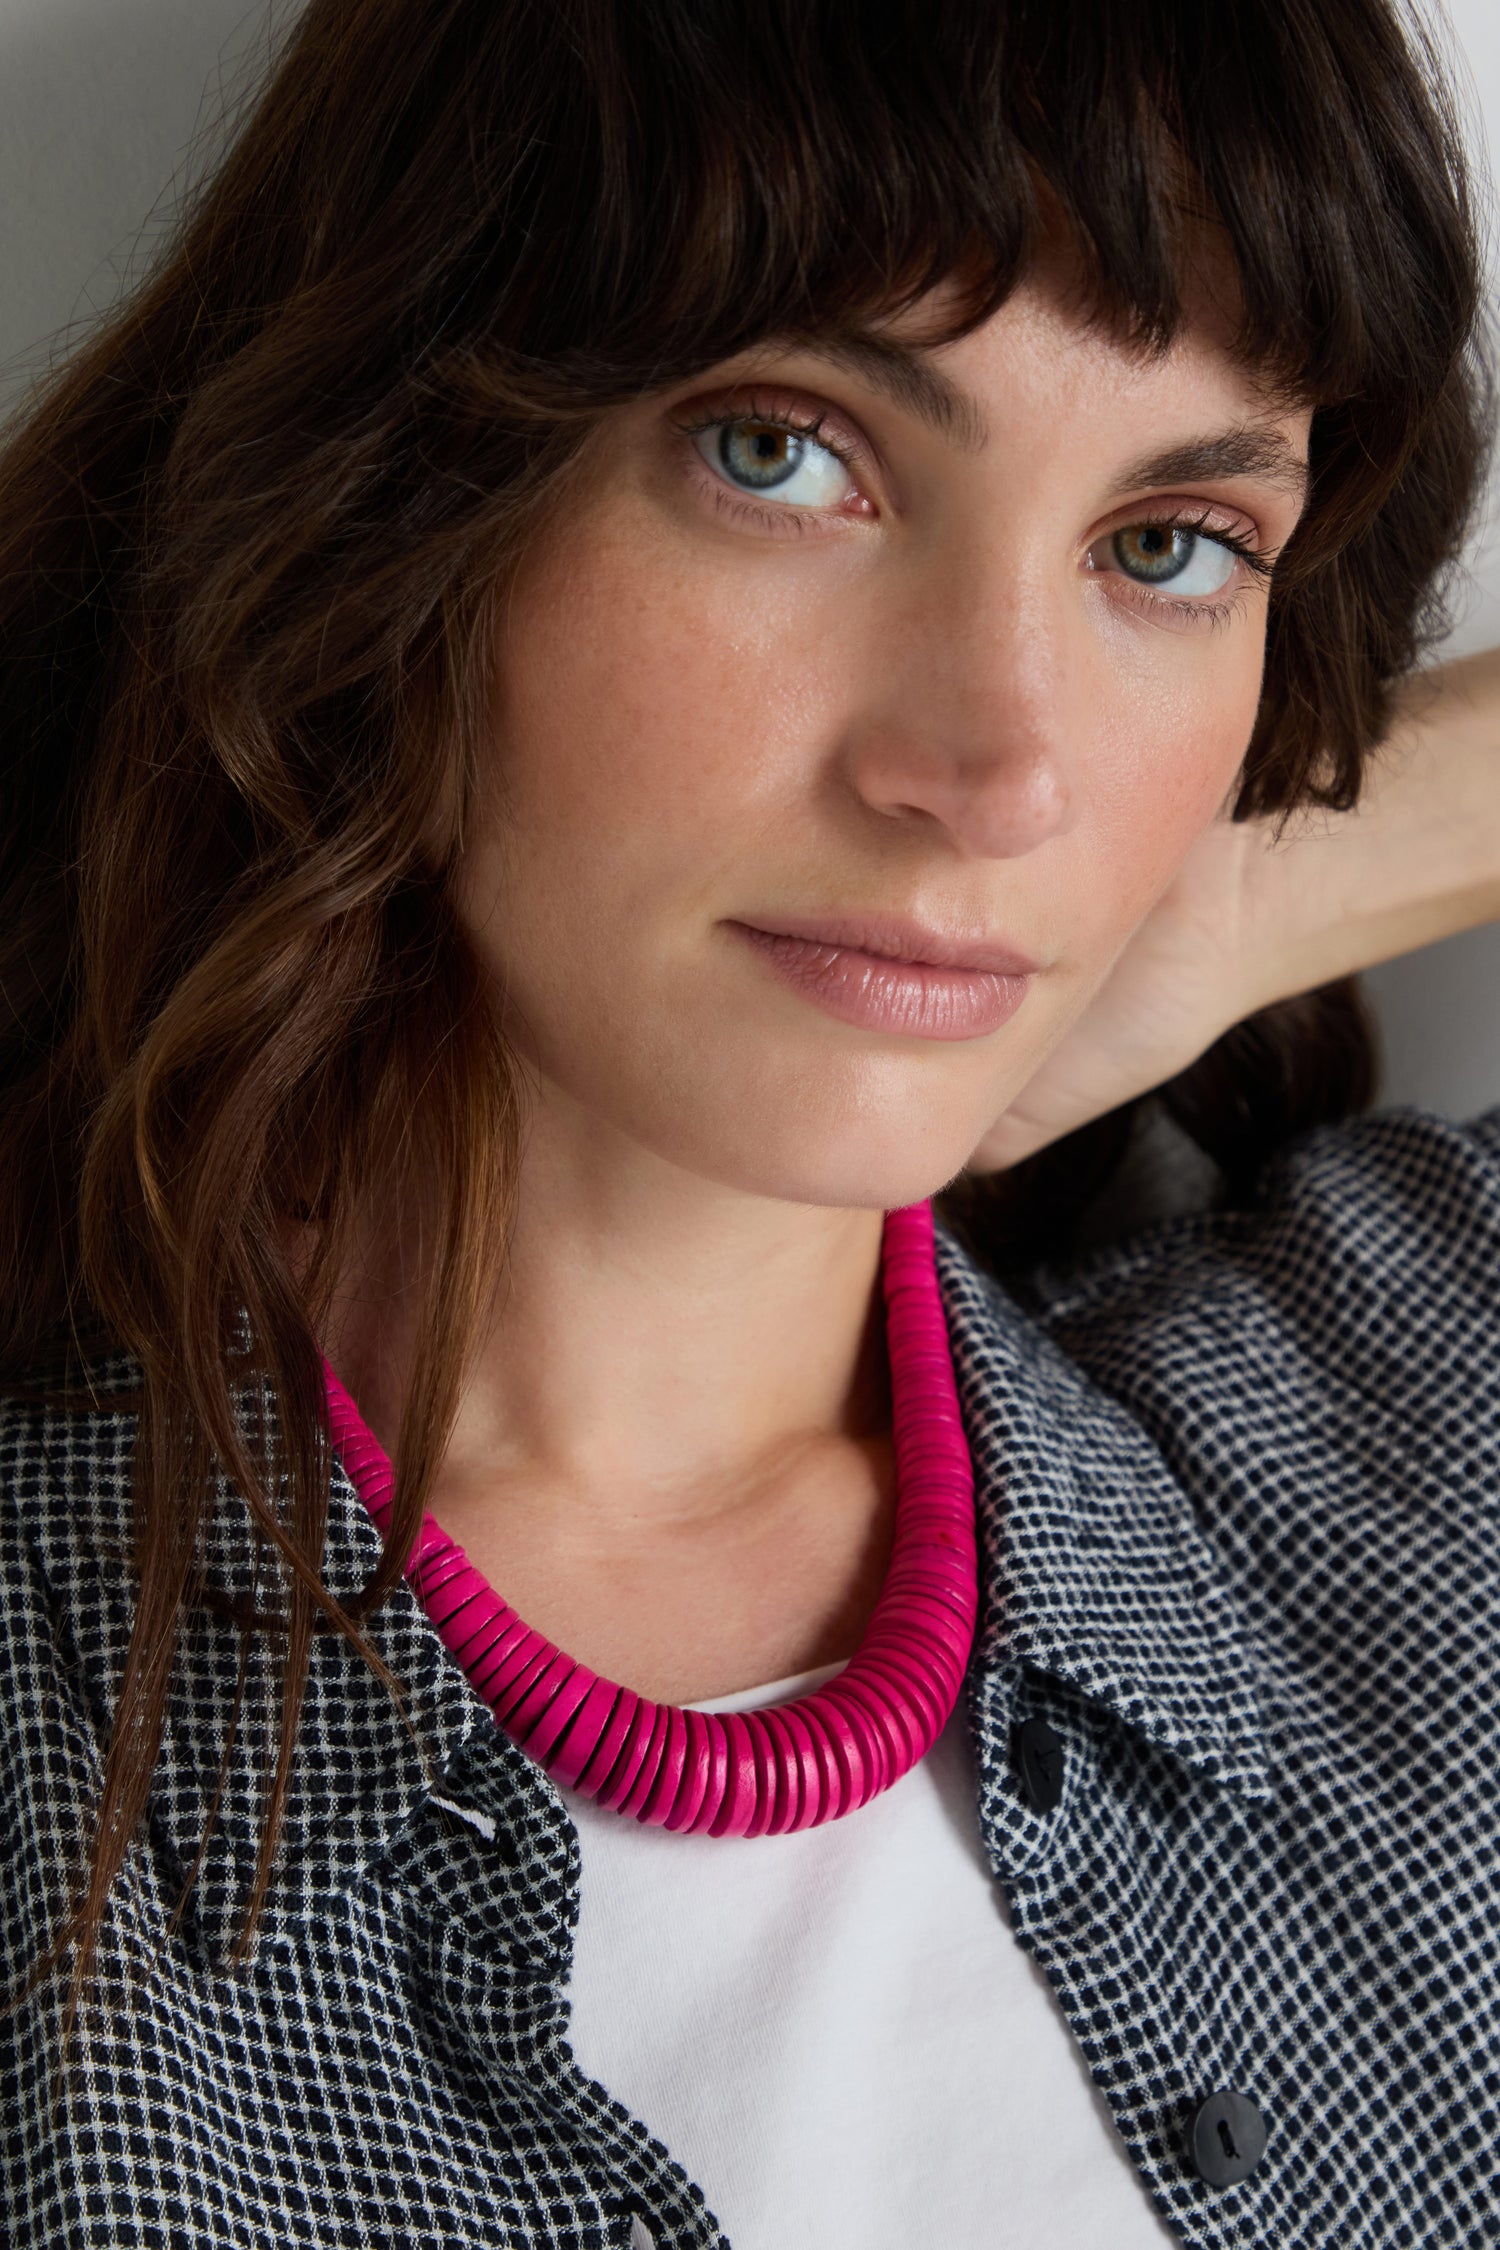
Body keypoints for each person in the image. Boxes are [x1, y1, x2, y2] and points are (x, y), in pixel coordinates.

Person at [2, 1, 1498, 2244]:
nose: (1000, 771)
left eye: (1173, 542)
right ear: (402, 490)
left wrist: (1210, 902)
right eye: (788, 453)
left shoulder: (1423, 1397)